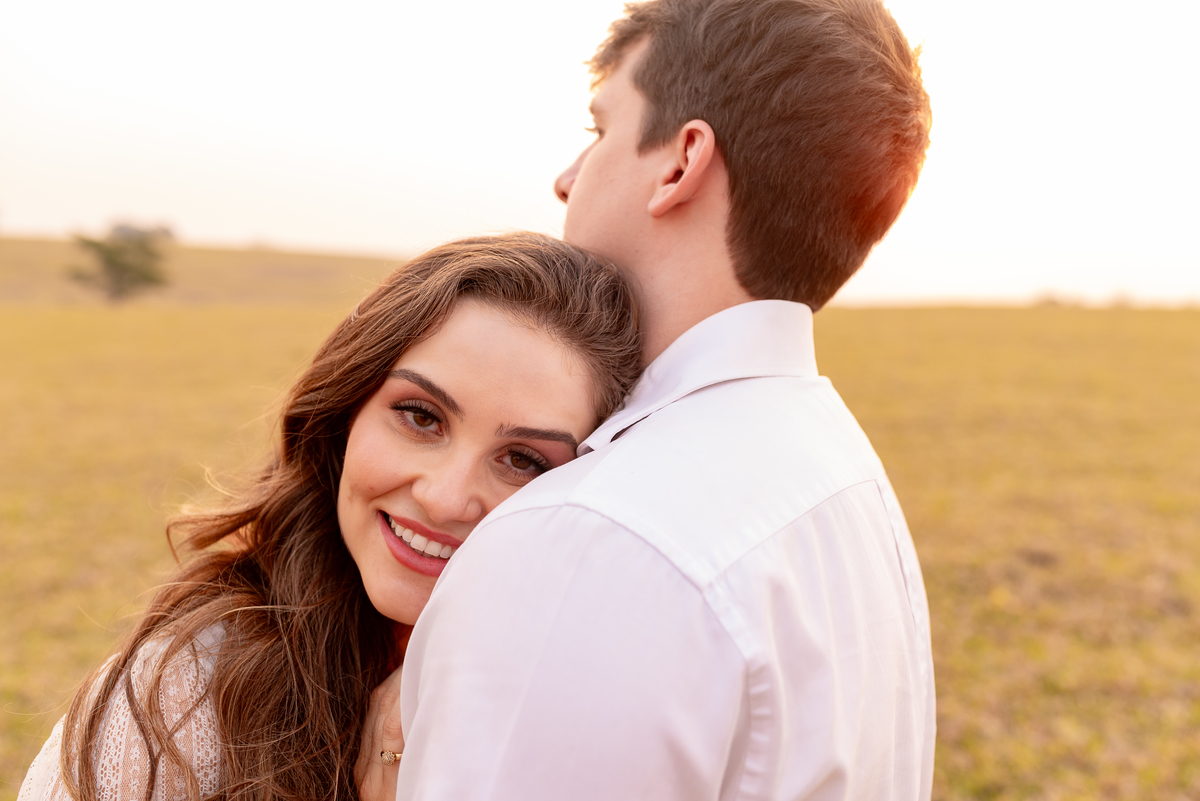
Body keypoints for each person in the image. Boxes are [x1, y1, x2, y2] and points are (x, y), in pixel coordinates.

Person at [393, 0, 936, 799]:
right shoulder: (845, 479)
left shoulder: (587, 539)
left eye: (598, 130)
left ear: (681, 162)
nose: (566, 178)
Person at [17, 233, 642, 801]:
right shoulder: (185, 701)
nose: (446, 498)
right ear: (344, 412)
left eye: (524, 460)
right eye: (421, 417)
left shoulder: (589, 713)